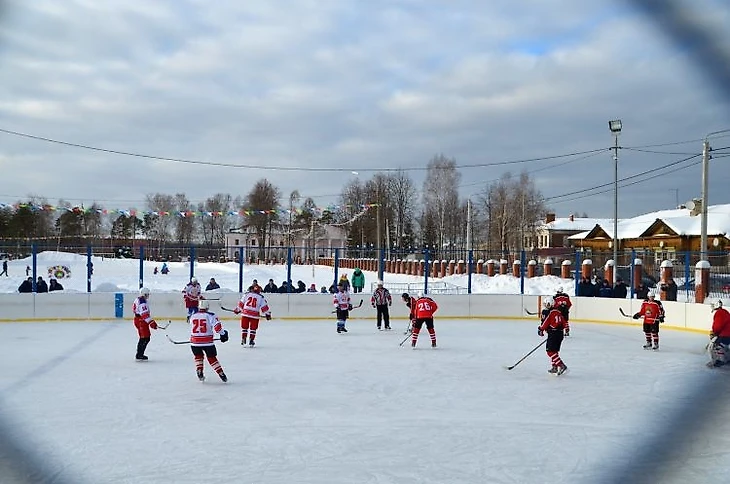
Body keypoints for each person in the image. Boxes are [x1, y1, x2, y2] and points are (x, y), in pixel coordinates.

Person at [189, 299, 228, 382]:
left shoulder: (193, 315)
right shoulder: (211, 315)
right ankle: (220, 373)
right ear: (207, 306)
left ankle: (199, 370)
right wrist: (223, 334)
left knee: (198, 357)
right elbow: (218, 328)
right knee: (212, 358)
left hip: (194, 342)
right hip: (208, 342)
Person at [538, 296, 569, 375]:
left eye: (546, 304)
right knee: (555, 351)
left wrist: (541, 329)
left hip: (553, 334)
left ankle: (561, 365)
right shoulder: (558, 312)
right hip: (560, 334)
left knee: (550, 352)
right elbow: (564, 321)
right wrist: (566, 328)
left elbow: (546, 322)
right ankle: (554, 367)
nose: (545, 305)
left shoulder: (550, 313)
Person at [132, 287, 159, 361]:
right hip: (141, 321)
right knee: (144, 338)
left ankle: (140, 354)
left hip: (140, 320)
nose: (148, 296)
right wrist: (151, 322)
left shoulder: (139, 299)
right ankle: (139, 355)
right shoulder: (142, 302)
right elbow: (144, 314)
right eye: (147, 294)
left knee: (145, 337)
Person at [708, 300, 730, 368]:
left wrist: (714, 332)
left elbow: (718, 325)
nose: (712, 306)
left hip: (726, 334)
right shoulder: (724, 311)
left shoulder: (719, 313)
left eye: (713, 305)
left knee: (716, 346)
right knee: (724, 345)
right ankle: (728, 358)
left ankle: (720, 360)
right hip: (727, 332)